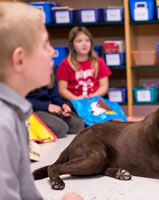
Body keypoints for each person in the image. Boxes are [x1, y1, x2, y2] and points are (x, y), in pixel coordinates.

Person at [0, 2, 82, 200]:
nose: (53, 52)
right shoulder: (3, 124)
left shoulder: (14, 115)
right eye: (45, 45)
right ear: (19, 59)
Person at [57, 26, 112, 101]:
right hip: (74, 102)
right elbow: (62, 89)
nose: (84, 44)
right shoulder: (65, 64)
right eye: (79, 41)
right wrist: (76, 99)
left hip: (95, 100)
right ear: (72, 45)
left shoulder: (99, 62)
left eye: (87, 40)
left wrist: (93, 97)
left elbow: (104, 86)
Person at [26, 72, 85, 138]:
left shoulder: (50, 69)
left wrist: (63, 105)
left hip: (48, 107)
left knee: (78, 125)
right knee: (60, 129)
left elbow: (54, 95)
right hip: (33, 109)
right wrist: (47, 106)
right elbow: (23, 100)